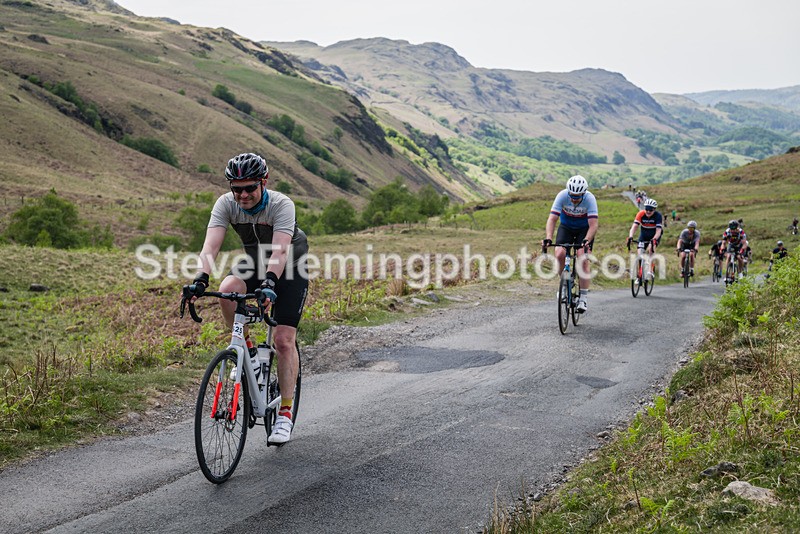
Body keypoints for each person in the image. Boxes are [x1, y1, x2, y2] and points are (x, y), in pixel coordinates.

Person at [188, 152, 309, 445]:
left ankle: (285, 413)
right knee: (228, 289)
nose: (243, 195)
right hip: (255, 263)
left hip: (290, 267)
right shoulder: (225, 204)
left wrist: (270, 284)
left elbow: (280, 251)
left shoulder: (281, 205)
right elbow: (210, 246)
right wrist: (200, 279)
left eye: (249, 188)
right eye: (237, 188)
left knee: (283, 340)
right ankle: (249, 352)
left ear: (263, 182)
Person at [542, 175, 599, 313]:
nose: (573, 199)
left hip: (584, 229)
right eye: (571, 196)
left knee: (582, 258)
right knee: (559, 253)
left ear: (583, 193)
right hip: (566, 227)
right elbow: (552, 219)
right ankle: (564, 284)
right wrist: (548, 238)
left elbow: (593, 225)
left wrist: (587, 239)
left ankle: (583, 298)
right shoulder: (562, 195)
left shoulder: (590, 199)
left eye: (577, 197)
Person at [626, 198, 663, 268]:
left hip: (654, 235)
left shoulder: (658, 216)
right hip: (644, 235)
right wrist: (630, 236)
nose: (648, 211)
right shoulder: (641, 214)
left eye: (650, 210)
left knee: (650, 249)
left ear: (654, 209)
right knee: (640, 253)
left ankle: (651, 269)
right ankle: (640, 272)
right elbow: (634, 227)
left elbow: (658, 230)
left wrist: (654, 239)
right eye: (647, 209)